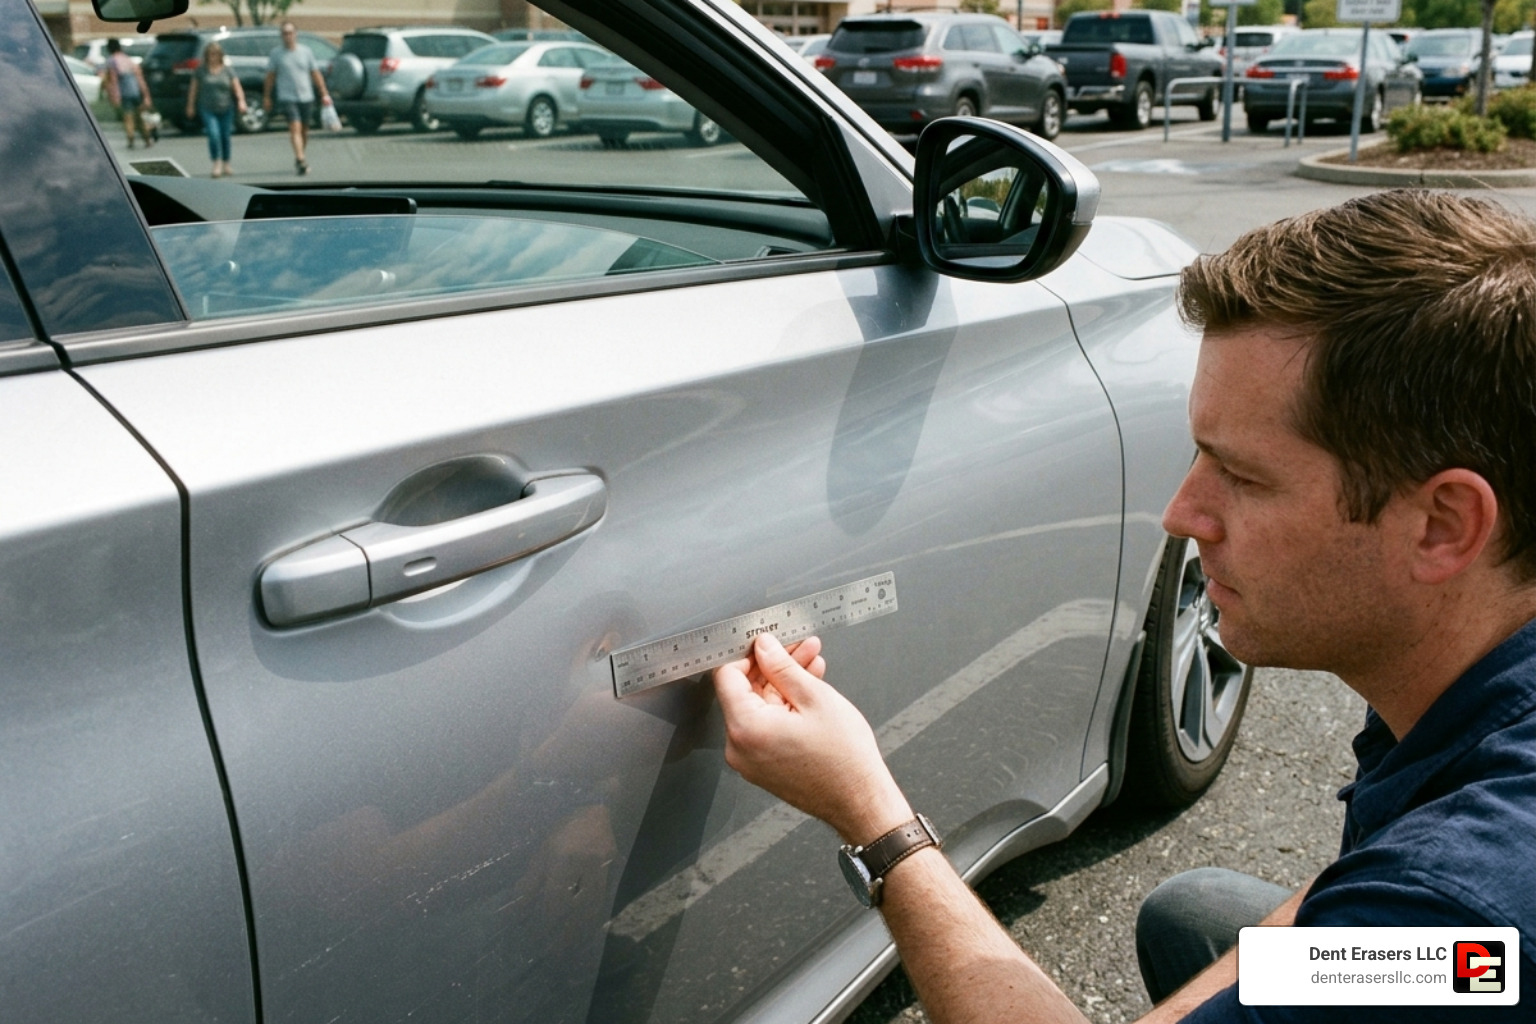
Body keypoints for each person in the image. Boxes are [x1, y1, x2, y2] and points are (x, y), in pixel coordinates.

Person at [712, 189, 1536, 1023]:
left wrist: (873, 816)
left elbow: (1440, 936)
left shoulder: (1459, 914)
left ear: (1443, 524)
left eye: (1244, 477)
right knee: (1200, 913)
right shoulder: (1475, 666)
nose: (1182, 515)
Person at [263, 22, 330, 175]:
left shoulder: (306, 52)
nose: (288, 36)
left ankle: (300, 154)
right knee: (295, 128)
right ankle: (300, 159)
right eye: (285, 33)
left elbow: (315, 73)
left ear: (296, 34)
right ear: (281, 36)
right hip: (287, 97)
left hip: (306, 96)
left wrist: (324, 93)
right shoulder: (276, 54)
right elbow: (270, 77)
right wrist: (267, 97)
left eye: (290, 33)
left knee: (304, 130)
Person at [185, 42, 246, 178]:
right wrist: (190, 105)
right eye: (210, 54)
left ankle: (226, 163)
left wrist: (241, 101)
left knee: (225, 136)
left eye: (216, 54)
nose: (213, 57)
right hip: (207, 108)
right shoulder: (201, 71)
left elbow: (236, 87)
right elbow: (193, 89)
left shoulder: (227, 70)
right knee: (213, 134)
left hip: (226, 107)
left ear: (220, 55)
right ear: (206, 56)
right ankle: (216, 163)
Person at [100, 39, 154, 150]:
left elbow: (114, 80)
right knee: (139, 117)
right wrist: (146, 95)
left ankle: (131, 138)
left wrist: (115, 96)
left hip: (125, 92)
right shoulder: (128, 59)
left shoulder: (112, 61)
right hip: (135, 92)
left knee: (128, 117)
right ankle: (147, 139)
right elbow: (140, 79)